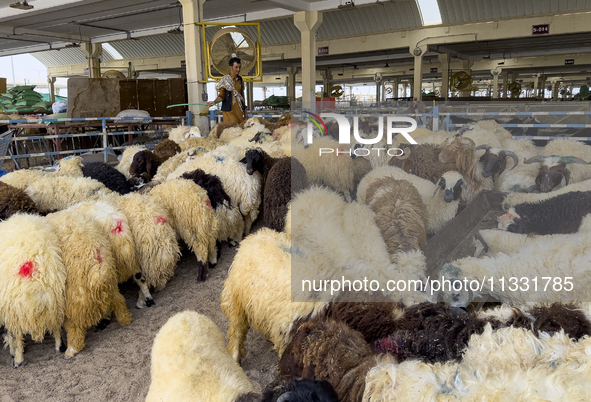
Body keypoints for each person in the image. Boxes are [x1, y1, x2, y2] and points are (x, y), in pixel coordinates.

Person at [207, 56, 249, 124]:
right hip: (229, 113)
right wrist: (214, 102)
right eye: (236, 67)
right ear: (230, 67)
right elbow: (221, 96)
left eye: (239, 67)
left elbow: (242, 97)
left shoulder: (240, 80)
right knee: (231, 131)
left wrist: (245, 113)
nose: (238, 69)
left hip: (239, 112)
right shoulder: (225, 80)